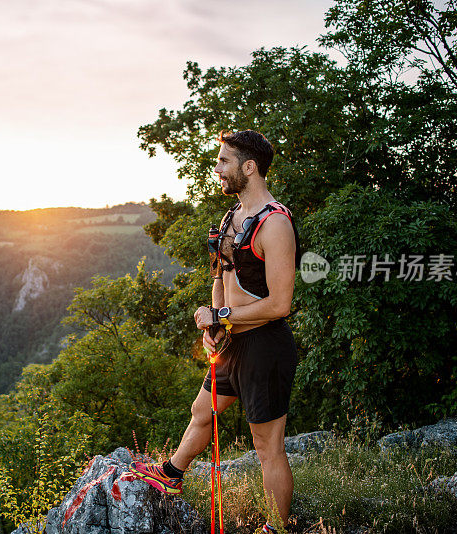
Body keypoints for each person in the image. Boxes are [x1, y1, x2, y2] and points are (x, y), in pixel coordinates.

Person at [129, 130, 300, 533]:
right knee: (202, 412)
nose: (217, 169)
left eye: (224, 161)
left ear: (249, 167)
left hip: (265, 347)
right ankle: (171, 472)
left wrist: (221, 315)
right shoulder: (232, 218)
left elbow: (280, 304)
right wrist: (217, 326)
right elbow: (222, 274)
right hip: (234, 342)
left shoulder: (275, 225)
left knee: (267, 447)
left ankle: (276, 528)